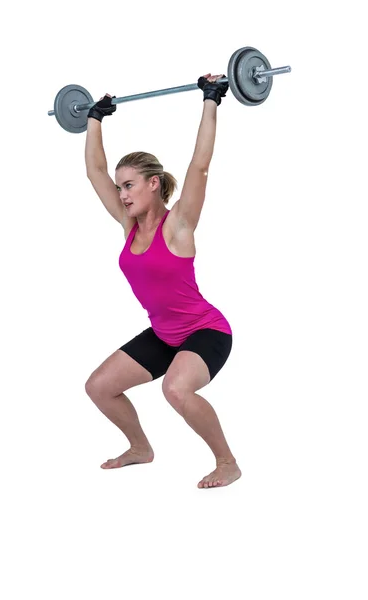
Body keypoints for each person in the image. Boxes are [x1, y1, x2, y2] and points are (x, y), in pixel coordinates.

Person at [84, 73, 241, 489]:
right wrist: (95, 119)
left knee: (175, 390)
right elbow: (94, 171)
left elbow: (199, 166)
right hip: (165, 334)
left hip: (206, 332)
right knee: (99, 387)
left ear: (154, 184)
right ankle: (140, 448)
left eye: (129, 185)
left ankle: (227, 462)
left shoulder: (180, 227)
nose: (121, 195)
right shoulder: (128, 225)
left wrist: (211, 100)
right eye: (120, 188)